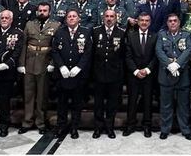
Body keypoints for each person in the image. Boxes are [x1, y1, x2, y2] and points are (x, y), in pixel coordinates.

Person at [18, 2, 60, 135]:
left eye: (45, 10)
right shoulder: (30, 24)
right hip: (30, 62)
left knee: (42, 95)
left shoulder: (56, 25)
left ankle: (41, 123)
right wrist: (21, 63)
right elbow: (23, 44)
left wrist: (53, 63)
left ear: (49, 12)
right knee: (28, 94)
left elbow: (56, 47)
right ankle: (27, 122)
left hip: (45, 63)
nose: (42, 12)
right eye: (40, 10)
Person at [51, 9, 92, 138]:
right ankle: (61, 126)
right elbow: (55, 51)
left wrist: (79, 67)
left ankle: (74, 127)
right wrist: (61, 66)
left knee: (77, 103)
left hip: (78, 75)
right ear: (66, 19)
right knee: (62, 103)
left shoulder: (85, 32)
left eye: (74, 16)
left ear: (79, 18)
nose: (72, 18)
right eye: (69, 16)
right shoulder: (60, 32)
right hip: (63, 75)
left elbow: (88, 52)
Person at [155, 13, 191, 140]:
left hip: (182, 75)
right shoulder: (162, 35)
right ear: (167, 23)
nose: (172, 23)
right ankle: (165, 129)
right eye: (170, 21)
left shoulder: (186, 35)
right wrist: (169, 65)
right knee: (166, 105)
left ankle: (185, 129)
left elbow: (188, 51)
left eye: (175, 21)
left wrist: (177, 64)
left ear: (179, 23)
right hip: (166, 75)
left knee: (183, 105)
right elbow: (159, 51)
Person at [91, 9, 126, 139]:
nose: (109, 18)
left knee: (112, 103)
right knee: (98, 103)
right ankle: (98, 127)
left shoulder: (122, 33)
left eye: (112, 16)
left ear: (116, 18)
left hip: (114, 74)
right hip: (99, 73)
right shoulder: (95, 31)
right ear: (103, 17)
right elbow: (92, 54)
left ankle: (109, 127)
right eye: (107, 16)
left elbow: (123, 55)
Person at [123, 12, 158, 137]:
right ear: (137, 22)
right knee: (132, 100)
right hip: (134, 74)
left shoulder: (155, 36)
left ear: (150, 22)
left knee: (148, 101)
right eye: (141, 20)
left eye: (146, 20)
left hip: (149, 74)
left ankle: (147, 125)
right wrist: (136, 71)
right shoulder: (130, 36)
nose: (144, 22)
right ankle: (130, 125)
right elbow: (127, 56)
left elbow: (156, 56)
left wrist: (147, 70)